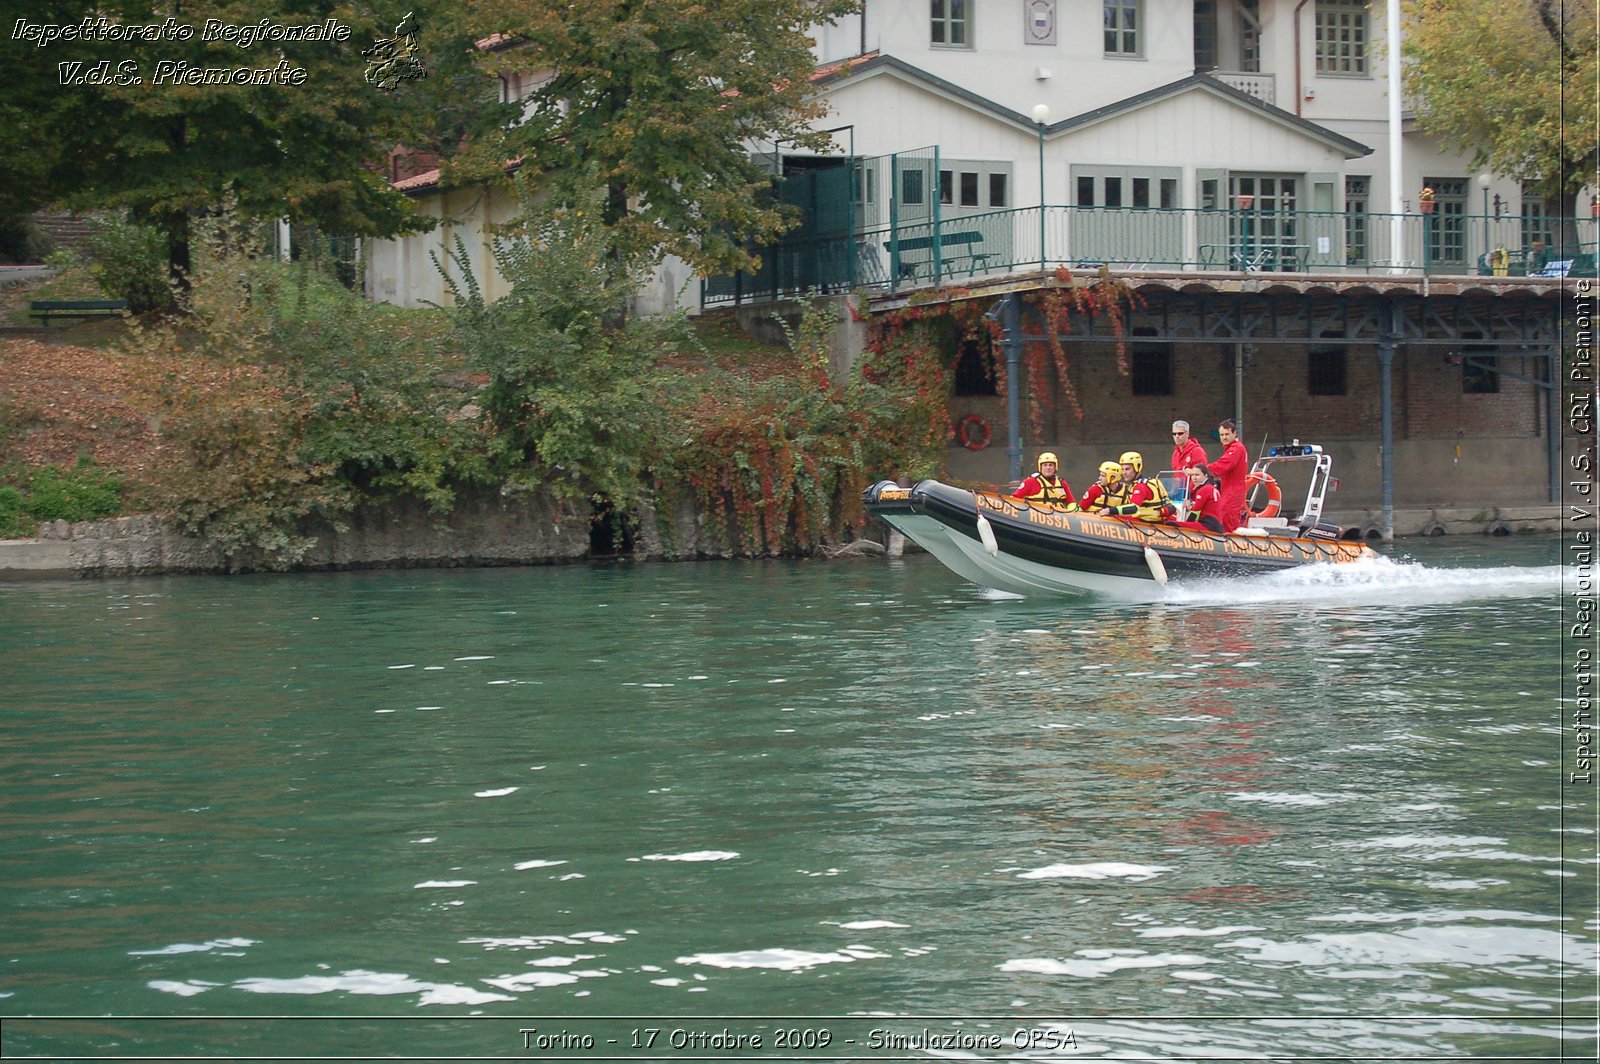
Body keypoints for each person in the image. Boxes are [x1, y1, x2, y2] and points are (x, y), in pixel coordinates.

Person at [1109, 450, 1174, 522]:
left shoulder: (1140, 487)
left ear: (1137, 467)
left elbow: (1133, 508)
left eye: (1127, 469)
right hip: (1148, 522)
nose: (1124, 473)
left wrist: (1110, 510)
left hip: (1150, 523)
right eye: (1122, 469)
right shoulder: (1140, 484)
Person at [1208, 418, 1249, 532]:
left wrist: (1204, 470)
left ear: (1234, 433)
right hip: (1229, 489)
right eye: (1221, 435)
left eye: (1227, 434)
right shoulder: (1233, 448)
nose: (1224, 437)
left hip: (1233, 491)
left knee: (1227, 519)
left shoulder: (1236, 449)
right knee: (1225, 517)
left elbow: (1223, 465)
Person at [1012, 451, 1078, 508]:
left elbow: (1071, 502)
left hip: (1059, 518)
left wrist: (1072, 512)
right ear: (1040, 467)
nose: (1048, 468)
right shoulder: (1030, 482)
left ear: (1055, 467)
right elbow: (1014, 499)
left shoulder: (1062, 483)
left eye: (1050, 465)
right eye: (1045, 465)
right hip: (1036, 518)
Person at [1180, 463, 1225, 532]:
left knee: (1171, 524)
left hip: (1208, 525)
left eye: (1197, 475)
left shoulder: (1203, 490)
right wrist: (1191, 507)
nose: (1194, 478)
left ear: (1205, 475)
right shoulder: (1212, 488)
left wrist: (1186, 526)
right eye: (1192, 475)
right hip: (1217, 525)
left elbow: (1195, 513)